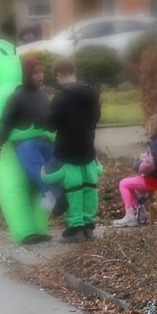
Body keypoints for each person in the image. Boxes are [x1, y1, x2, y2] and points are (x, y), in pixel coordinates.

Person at [43, 56, 103, 240]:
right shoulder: (93, 94)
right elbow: (96, 118)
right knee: (89, 188)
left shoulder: (61, 97)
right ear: (74, 71)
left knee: (72, 189)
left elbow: (51, 124)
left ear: (59, 74)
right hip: (88, 149)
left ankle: (75, 226)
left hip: (67, 151)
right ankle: (88, 226)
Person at [0, 54, 59, 213]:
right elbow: (6, 122)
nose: (40, 76)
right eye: (36, 73)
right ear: (27, 74)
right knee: (36, 167)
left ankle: (56, 197)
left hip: (46, 140)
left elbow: (51, 119)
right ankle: (52, 197)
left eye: (41, 72)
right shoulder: (16, 97)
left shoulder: (42, 96)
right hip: (26, 143)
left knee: (56, 166)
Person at [112, 112, 157, 227]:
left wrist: (139, 163)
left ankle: (130, 216)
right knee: (137, 184)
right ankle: (140, 214)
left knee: (124, 183)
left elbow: (152, 166)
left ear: (155, 127)